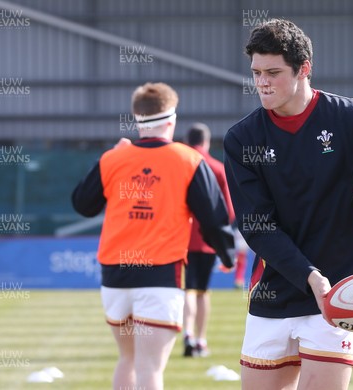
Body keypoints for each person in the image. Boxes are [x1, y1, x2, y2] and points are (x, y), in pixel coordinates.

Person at [224, 19, 353, 390]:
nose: (262, 83)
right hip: (275, 290)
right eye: (256, 72)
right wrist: (308, 276)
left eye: (273, 72)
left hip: (341, 294)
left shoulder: (352, 118)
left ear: (304, 69)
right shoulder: (243, 138)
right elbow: (257, 226)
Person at [72, 82, 235, 390]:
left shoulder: (114, 158)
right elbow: (214, 218)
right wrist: (226, 255)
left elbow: (83, 204)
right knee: (150, 369)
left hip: (114, 276)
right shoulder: (188, 160)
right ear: (171, 121)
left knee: (127, 360)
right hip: (160, 275)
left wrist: (106, 160)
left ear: (137, 119)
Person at [183, 123, 235, 357]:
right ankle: (201, 340)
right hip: (207, 240)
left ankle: (187, 334)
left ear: (187, 141)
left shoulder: (178, 165)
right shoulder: (218, 168)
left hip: (179, 239)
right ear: (206, 141)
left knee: (186, 290)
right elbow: (228, 211)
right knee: (202, 291)